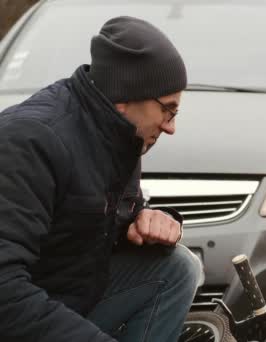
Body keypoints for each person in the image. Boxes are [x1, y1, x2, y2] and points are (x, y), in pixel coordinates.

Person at [0, 16, 203, 341]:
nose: (170, 126)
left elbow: (89, 220)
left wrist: (143, 220)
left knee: (176, 268)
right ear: (125, 96)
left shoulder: (116, 132)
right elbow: (4, 291)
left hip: (69, 299)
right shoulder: (29, 141)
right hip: (20, 316)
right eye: (168, 110)